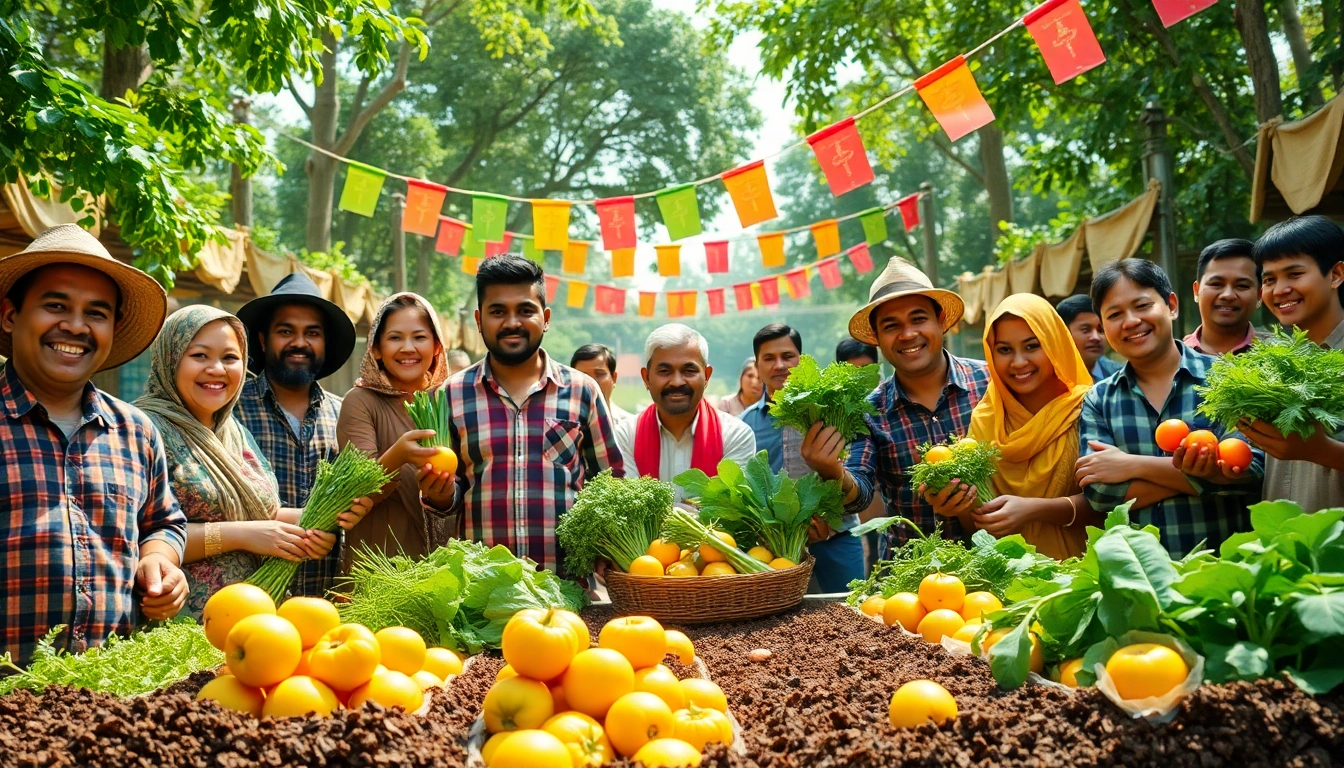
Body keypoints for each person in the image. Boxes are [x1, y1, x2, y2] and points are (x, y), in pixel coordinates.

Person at [0, 224, 187, 664]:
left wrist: (159, 561)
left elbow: (164, 522)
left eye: (96, 313)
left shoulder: (136, 430)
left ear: (113, 327)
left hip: (107, 700)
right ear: (10, 315)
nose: (76, 326)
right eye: (55, 305)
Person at [133, 306, 346, 617]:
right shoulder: (142, 429)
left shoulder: (234, 432)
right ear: (170, 359)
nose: (217, 369)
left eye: (230, 358)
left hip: (254, 621)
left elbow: (261, 511)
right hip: (180, 626)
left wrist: (311, 525)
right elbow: (138, 535)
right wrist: (245, 536)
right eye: (200, 356)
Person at [441, 255, 624, 572]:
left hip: (566, 590)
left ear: (546, 317)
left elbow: (611, 485)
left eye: (525, 310)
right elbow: (450, 497)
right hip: (481, 591)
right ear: (479, 319)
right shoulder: (452, 395)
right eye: (498, 311)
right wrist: (439, 494)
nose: (512, 322)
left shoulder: (583, 391)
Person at [800, 258, 990, 560]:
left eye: (918, 319)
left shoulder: (990, 382)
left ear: (940, 320)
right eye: (891, 326)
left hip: (1001, 560)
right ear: (876, 338)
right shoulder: (869, 411)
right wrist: (832, 470)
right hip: (911, 580)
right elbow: (859, 494)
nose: (907, 334)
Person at [1073, 259, 1262, 557]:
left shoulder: (1228, 378)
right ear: (1103, 326)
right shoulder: (1099, 399)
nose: (1131, 321)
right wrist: (1210, 477)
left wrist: (1131, 465)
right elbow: (1100, 494)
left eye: (1142, 306)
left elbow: (1249, 470)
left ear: (1171, 305)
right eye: (1115, 314)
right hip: (1141, 580)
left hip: (1226, 574)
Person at [235, 272, 359, 598]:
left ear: (324, 343)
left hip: (327, 607)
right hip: (244, 601)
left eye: (312, 333)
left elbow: (358, 510)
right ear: (262, 340)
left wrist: (336, 533)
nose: (299, 342)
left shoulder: (346, 414)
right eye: (286, 331)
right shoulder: (229, 410)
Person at [966, 294, 1102, 560]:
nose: (1018, 362)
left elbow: (1110, 504)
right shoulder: (985, 419)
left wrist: (1032, 510)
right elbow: (978, 524)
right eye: (1004, 350)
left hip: (1084, 578)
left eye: (1032, 346)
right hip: (1009, 581)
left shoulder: (1089, 407)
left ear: (1054, 344)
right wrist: (954, 499)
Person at [741, 323, 863, 592]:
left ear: (801, 360)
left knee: (852, 615)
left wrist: (827, 525)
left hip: (836, 538)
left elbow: (857, 474)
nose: (779, 365)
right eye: (769, 358)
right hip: (774, 548)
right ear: (758, 366)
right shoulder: (744, 425)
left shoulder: (832, 413)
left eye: (788, 356)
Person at [337, 293, 454, 568]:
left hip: (444, 568)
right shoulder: (360, 401)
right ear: (375, 349)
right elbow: (357, 492)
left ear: (437, 346)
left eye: (419, 337)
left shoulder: (450, 401)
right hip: (378, 567)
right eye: (395, 338)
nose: (408, 348)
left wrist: (442, 494)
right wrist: (398, 455)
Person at [1244, 216, 1344, 511]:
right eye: (1269, 279)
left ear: (1336, 274)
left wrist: (1322, 452)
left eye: (1294, 274)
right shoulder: (1268, 362)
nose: (1279, 290)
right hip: (1281, 549)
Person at [613, 324, 756, 499]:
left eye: (689, 371)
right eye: (664, 371)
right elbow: (630, 507)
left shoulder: (736, 436)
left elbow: (729, 509)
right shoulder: (625, 436)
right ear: (646, 378)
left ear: (707, 376)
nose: (677, 382)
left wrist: (663, 513)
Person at [835, 338, 883, 575]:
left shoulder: (887, 400)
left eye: (866, 370)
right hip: (854, 485)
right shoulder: (836, 407)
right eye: (853, 372)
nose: (861, 379)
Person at [1184, 239, 1266, 355]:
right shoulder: (1173, 358)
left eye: (1242, 286)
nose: (1228, 295)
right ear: (1196, 291)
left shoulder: (1282, 357)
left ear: (1259, 295)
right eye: (1216, 284)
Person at [1055, 295, 1122, 380]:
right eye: (1085, 330)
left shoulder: (1120, 376)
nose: (1096, 337)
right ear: (1063, 333)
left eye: (1101, 330)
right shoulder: (1047, 377)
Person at [571, 343, 634, 424]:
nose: (592, 382)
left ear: (614, 378)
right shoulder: (559, 425)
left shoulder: (630, 427)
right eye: (584, 376)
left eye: (599, 374)